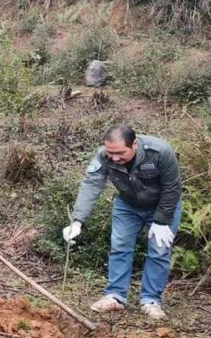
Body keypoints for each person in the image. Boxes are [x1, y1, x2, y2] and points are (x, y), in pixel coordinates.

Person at [63, 124, 182, 321]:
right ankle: (115, 296)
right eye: (111, 153)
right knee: (119, 246)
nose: (115, 158)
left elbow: (172, 188)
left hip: (162, 206)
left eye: (120, 153)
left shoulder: (160, 151)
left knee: (160, 250)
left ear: (134, 144)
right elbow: (92, 184)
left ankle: (151, 300)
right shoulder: (103, 155)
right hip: (128, 206)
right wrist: (77, 221)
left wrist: (161, 221)